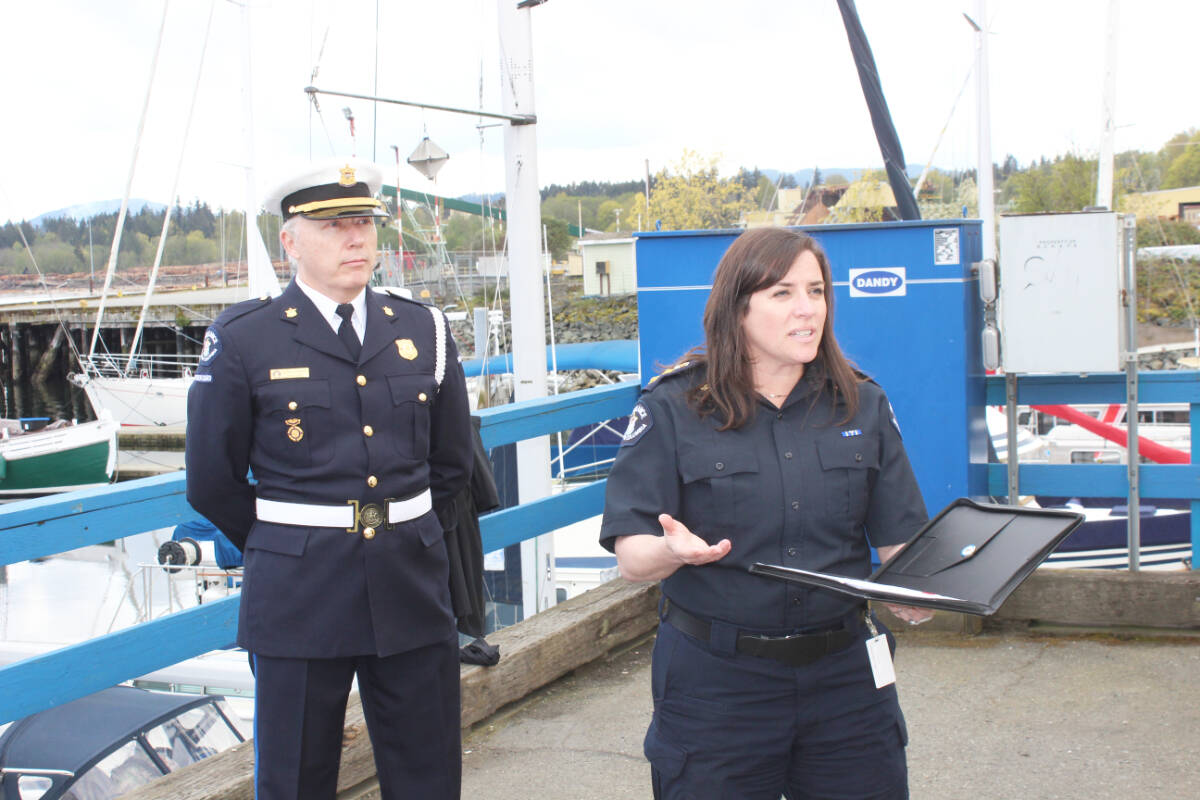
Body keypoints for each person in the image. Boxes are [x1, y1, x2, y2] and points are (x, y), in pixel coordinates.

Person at [600, 226, 932, 800]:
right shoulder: (675, 407)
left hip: (846, 683)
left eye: (817, 291)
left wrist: (926, 590)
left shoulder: (863, 403)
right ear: (738, 307)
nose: (808, 310)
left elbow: (902, 541)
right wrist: (671, 552)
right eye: (782, 293)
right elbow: (632, 555)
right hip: (717, 685)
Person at [185, 159, 472, 800]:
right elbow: (211, 480)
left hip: (409, 584)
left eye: (365, 224)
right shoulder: (243, 338)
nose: (356, 240)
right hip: (299, 593)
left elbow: (452, 464)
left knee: (428, 775)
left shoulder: (423, 329)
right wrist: (289, 539)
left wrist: (404, 529)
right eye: (335, 225)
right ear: (290, 241)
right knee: (294, 779)